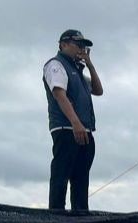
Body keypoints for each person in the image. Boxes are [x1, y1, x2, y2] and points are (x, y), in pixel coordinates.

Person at [43, 29, 103, 210]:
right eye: (78, 44)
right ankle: (56, 218)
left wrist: (90, 65)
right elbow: (59, 94)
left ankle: (80, 216)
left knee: (81, 179)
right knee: (61, 177)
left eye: (83, 46)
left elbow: (98, 90)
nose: (81, 49)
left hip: (85, 130)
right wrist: (75, 122)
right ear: (63, 44)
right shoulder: (56, 65)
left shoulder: (77, 71)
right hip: (66, 128)